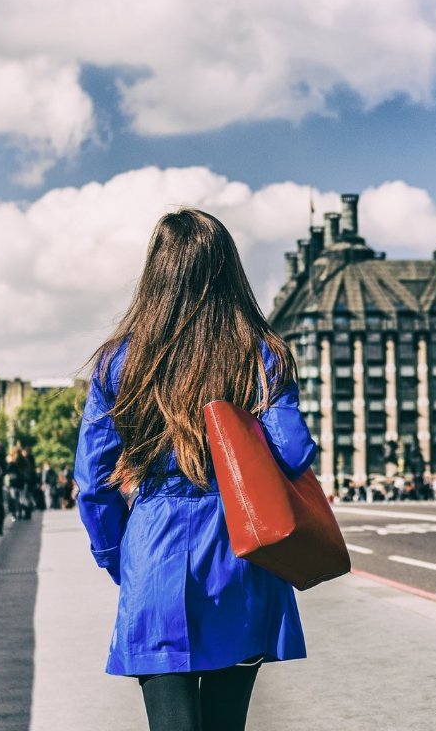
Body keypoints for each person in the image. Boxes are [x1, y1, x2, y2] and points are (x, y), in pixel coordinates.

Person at [74, 207, 318, 731]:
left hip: (154, 548)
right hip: (240, 554)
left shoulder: (118, 362)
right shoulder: (260, 355)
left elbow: (93, 484)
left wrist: (117, 556)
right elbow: (294, 453)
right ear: (227, 271)